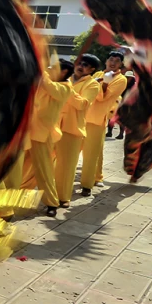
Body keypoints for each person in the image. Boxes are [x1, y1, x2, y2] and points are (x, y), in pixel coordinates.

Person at [23, 59, 73, 216]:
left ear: (63, 72)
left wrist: (39, 66)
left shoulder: (65, 88)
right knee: (22, 167)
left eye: (53, 67)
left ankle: (52, 203)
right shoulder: (48, 82)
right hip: (30, 130)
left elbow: (48, 86)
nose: (49, 69)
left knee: (44, 171)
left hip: (43, 135)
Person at [55, 54, 100, 208]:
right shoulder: (65, 78)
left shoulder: (93, 85)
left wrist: (66, 88)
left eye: (86, 65)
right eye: (80, 63)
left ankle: (63, 197)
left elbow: (82, 104)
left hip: (72, 128)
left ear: (92, 69)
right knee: (43, 161)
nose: (80, 66)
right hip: (53, 124)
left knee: (66, 165)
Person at [80, 51, 127, 195]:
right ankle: (94, 176)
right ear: (106, 61)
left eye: (117, 61)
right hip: (81, 116)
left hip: (97, 119)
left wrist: (104, 83)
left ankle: (90, 181)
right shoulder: (97, 74)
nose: (113, 63)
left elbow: (102, 97)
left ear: (121, 64)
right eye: (111, 59)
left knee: (92, 153)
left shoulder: (121, 79)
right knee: (87, 150)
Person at [106, 70, 135, 139]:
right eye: (127, 77)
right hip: (117, 101)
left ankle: (121, 134)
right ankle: (109, 132)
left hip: (126, 104)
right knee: (111, 117)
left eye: (129, 77)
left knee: (122, 119)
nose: (128, 78)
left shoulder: (133, 86)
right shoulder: (122, 83)